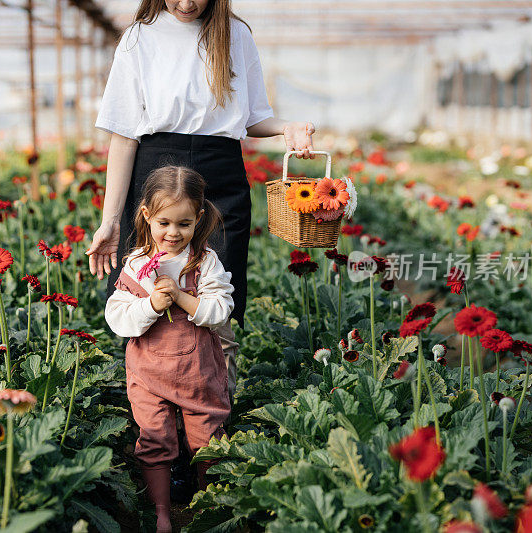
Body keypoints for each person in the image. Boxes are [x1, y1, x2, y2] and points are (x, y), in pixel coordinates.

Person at [87, 0, 316, 504]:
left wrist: (288, 130)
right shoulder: (141, 37)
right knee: (146, 295)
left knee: (216, 302)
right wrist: (110, 219)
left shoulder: (235, 35)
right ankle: (153, 442)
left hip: (221, 174)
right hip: (157, 169)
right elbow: (124, 134)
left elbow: (253, 119)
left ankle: (206, 448)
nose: (185, 3)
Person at [105, 166, 233, 533]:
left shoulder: (204, 262)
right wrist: (150, 306)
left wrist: (180, 297)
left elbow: (220, 311)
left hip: (198, 372)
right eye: (164, 222)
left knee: (207, 438)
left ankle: (211, 505)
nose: (173, 233)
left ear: (199, 220)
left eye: (184, 224)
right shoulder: (136, 265)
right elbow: (118, 319)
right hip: (149, 373)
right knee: (155, 437)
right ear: (147, 216)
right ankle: (161, 512)